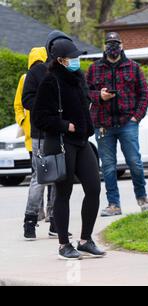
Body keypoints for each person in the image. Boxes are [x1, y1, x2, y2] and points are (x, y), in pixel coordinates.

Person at [32, 39, 105, 260]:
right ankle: (64, 244)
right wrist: (64, 125)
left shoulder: (78, 77)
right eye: (72, 57)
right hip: (62, 142)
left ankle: (85, 240)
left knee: (93, 188)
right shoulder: (50, 81)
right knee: (63, 193)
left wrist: (87, 127)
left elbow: (85, 104)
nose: (76, 60)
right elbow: (39, 117)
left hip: (82, 141)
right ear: (61, 60)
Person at [87, 32, 148, 217]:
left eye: (116, 43)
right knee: (107, 166)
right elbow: (85, 92)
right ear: (104, 46)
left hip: (127, 123)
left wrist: (136, 117)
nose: (113, 47)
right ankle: (113, 204)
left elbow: (144, 94)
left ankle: (142, 197)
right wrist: (99, 95)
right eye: (109, 43)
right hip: (103, 125)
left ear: (122, 46)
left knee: (135, 163)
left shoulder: (133, 67)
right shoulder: (94, 69)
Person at [22, 31, 75, 241]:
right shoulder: (37, 71)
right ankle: (30, 221)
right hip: (41, 133)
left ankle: (55, 222)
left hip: (60, 131)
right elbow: (27, 100)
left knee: (59, 176)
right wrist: (47, 108)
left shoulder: (65, 71)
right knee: (40, 177)